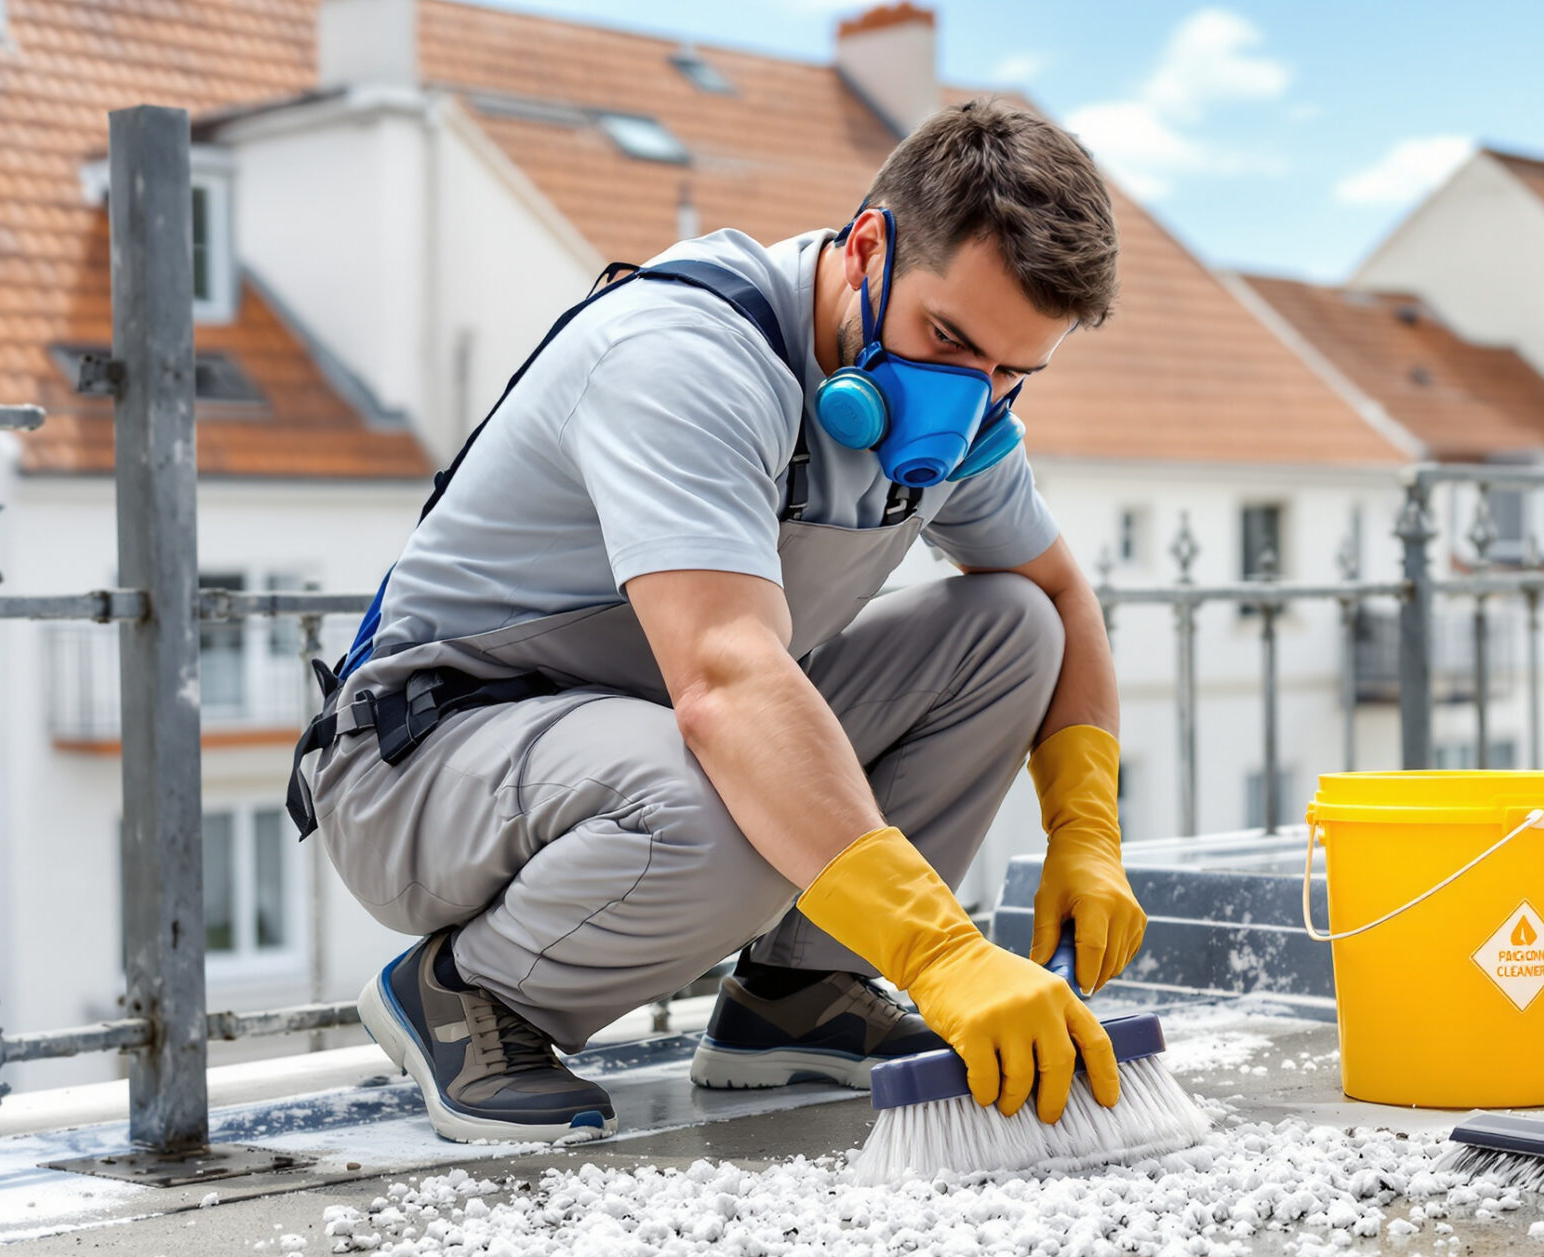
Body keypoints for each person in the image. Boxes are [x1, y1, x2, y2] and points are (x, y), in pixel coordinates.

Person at [289, 101, 1147, 1144]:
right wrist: (942, 952)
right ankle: (465, 994)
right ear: (868, 245)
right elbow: (729, 679)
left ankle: (797, 997)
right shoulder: (684, 356)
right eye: (949, 340)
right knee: (731, 793)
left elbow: (1059, 594)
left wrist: (1086, 833)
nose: (969, 404)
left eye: (1013, 375)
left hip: (648, 731)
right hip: (425, 756)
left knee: (1008, 625)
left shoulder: (959, 414)